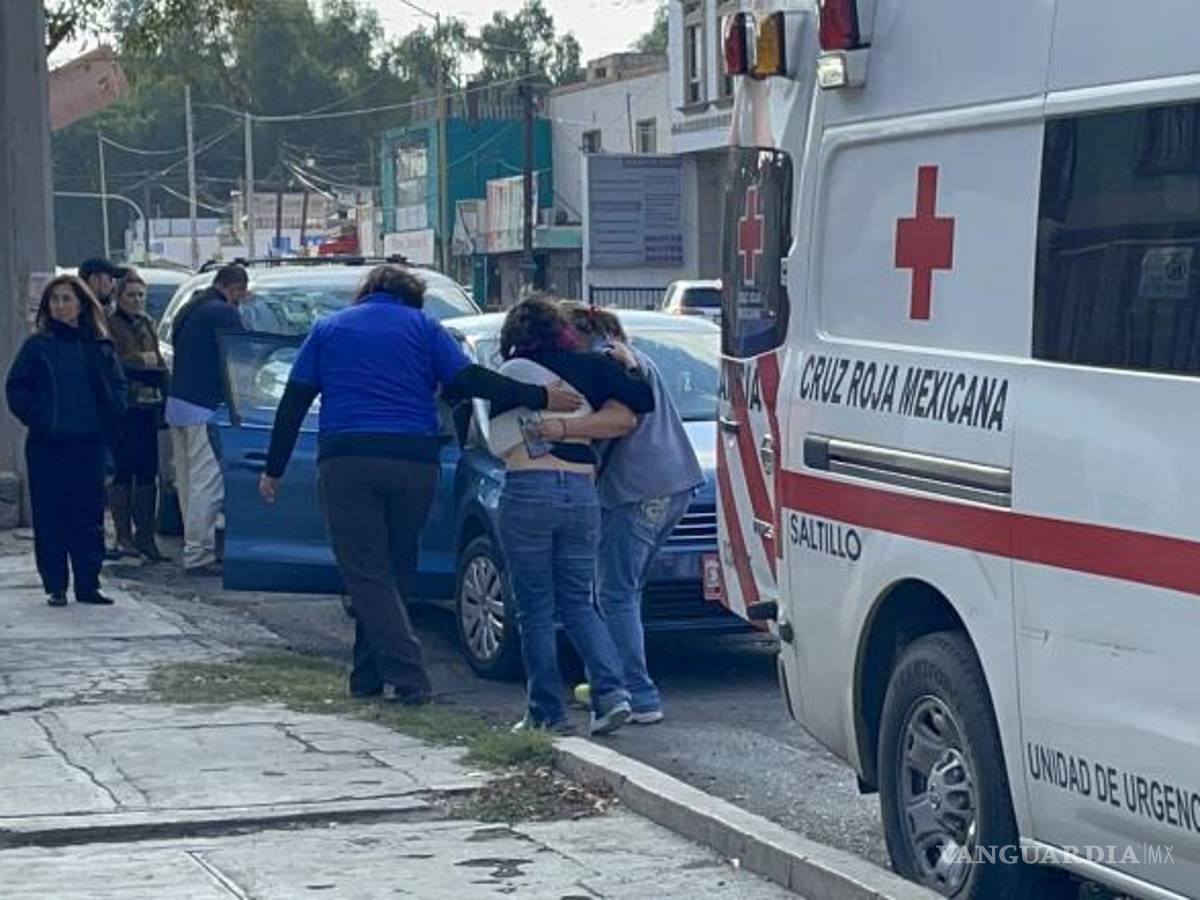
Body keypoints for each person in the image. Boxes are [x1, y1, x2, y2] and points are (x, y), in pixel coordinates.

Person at [258, 266, 582, 705]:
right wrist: (539, 396)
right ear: (412, 297)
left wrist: (274, 467)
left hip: (348, 459)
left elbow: (294, 400)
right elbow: (468, 380)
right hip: (414, 460)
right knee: (396, 569)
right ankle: (367, 677)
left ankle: (410, 676)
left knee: (365, 572)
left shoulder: (328, 329)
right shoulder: (424, 327)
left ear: (366, 292)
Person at [489, 296, 655, 736]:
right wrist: (629, 364)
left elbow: (493, 436)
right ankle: (613, 694)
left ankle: (546, 711)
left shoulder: (510, 373)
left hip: (529, 487)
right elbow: (641, 402)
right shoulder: (591, 367)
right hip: (582, 492)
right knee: (580, 601)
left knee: (536, 610)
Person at [558, 304, 705, 725]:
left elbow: (618, 423)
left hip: (634, 488)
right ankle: (610, 681)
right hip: (675, 482)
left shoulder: (606, 361)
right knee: (627, 589)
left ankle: (635, 694)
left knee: (614, 592)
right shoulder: (633, 356)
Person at [6, 276, 127, 606]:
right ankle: (55, 585)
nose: (60, 306)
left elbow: (117, 388)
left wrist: (110, 420)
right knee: (51, 516)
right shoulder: (38, 346)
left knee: (88, 516)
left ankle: (88, 584)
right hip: (48, 446)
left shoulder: (98, 347)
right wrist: (40, 416)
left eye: (66, 299)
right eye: (54, 300)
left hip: (89, 444)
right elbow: (16, 388)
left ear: (81, 304)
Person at [166, 264, 249, 576]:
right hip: (205, 407)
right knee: (207, 481)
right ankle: (200, 553)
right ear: (236, 289)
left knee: (187, 482)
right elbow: (241, 357)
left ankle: (193, 546)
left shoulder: (189, 308)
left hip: (178, 402)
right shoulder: (224, 313)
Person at [107, 268, 168, 562]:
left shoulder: (147, 323)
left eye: (141, 295)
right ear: (120, 297)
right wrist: (139, 360)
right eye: (131, 295)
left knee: (147, 472)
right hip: (123, 407)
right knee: (123, 471)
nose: (136, 300)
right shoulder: (109, 324)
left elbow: (158, 362)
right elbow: (110, 363)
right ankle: (124, 536)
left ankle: (146, 536)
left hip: (148, 406)